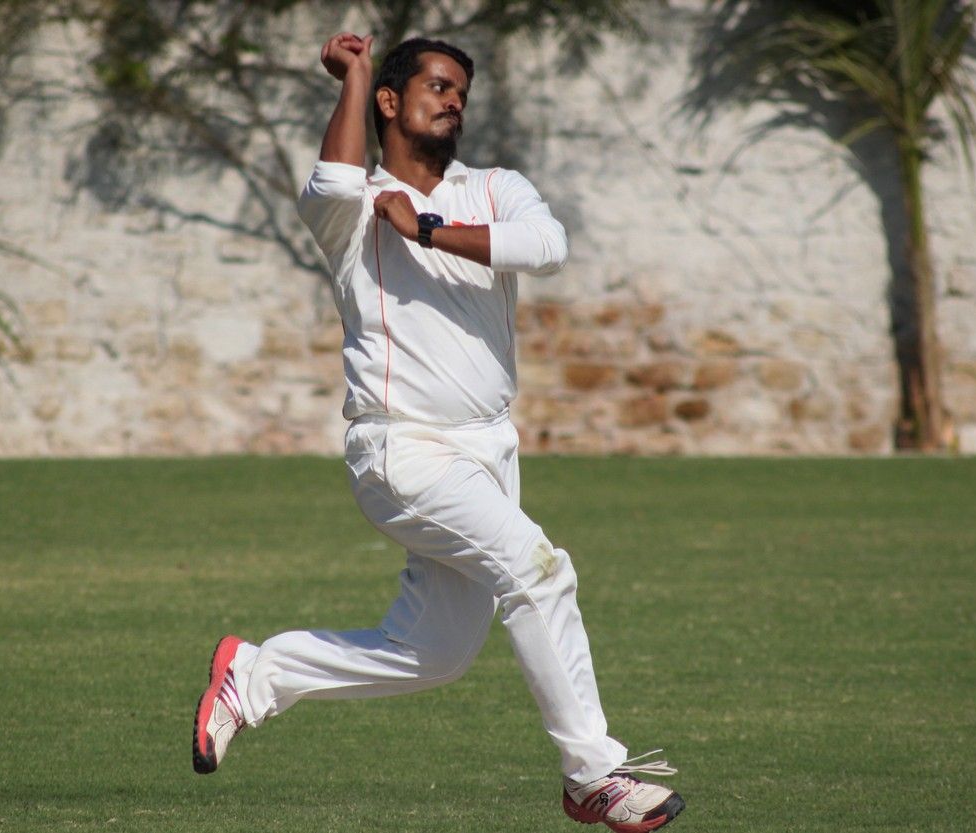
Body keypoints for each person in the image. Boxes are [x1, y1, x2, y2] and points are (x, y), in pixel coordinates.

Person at [190, 32, 685, 833]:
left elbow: (547, 247)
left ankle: (257, 673)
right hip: (404, 448)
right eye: (437, 85)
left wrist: (426, 228)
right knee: (540, 571)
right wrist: (355, 75)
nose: (454, 99)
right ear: (390, 102)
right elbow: (334, 177)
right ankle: (594, 775)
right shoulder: (350, 211)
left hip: (488, 448)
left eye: (462, 90)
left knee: (434, 653)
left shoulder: (493, 187)